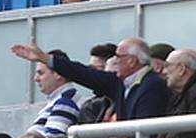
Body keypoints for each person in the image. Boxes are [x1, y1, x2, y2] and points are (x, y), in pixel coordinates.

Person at [12, 37, 168, 123]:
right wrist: (44, 58)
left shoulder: (153, 86)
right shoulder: (120, 83)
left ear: (132, 61)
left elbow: (146, 128)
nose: (115, 60)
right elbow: (83, 73)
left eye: (119, 56)